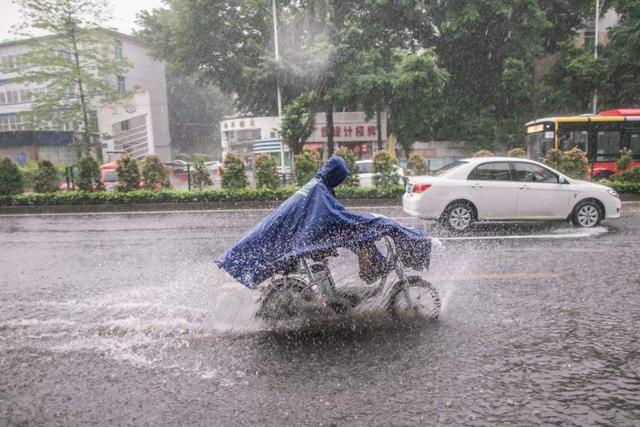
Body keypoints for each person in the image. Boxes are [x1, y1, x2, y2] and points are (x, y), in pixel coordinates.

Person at [216, 156, 432, 288]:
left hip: (301, 233)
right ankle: (370, 270)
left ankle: (371, 267)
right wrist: (367, 221)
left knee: (360, 235)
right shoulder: (319, 189)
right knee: (362, 234)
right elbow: (333, 216)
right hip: (304, 235)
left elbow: (332, 213)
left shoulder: (318, 185)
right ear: (336, 175)